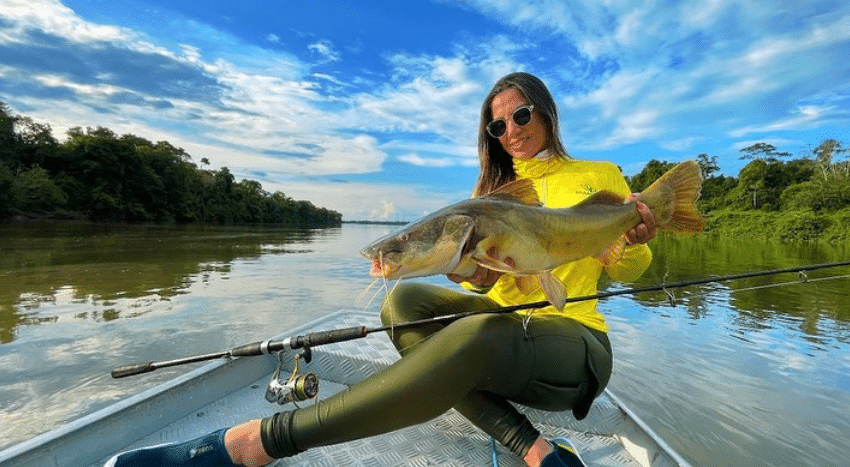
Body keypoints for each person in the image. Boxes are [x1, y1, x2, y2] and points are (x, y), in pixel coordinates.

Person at [105, 72, 656, 467]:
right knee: (402, 306)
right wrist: (467, 272)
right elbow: (485, 281)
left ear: (545, 112)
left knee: (480, 331)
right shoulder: (488, 196)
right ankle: (534, 449)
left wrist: (631, 235)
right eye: (496, 126)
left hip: (575, 342)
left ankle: (260, 442)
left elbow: (630, 269)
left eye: (520, 115)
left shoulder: (597, 173)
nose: (510, 130)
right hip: (506, 332)